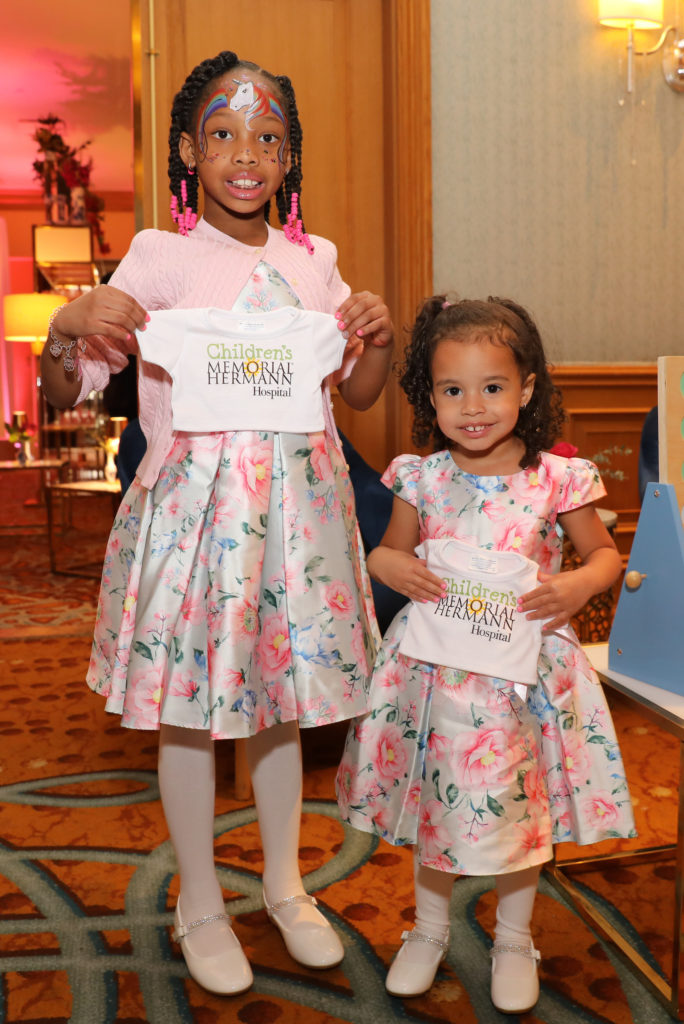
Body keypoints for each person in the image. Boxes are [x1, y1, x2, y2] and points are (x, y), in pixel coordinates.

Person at [40, 50, 393, 996]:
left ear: (290, 159)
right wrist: (72, 323)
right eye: (225, 134)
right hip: (194, 522)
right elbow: (70, 387)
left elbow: (351, 395)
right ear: (190, 149)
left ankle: (284, 885)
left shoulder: (315, 262)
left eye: (268, 137)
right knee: (192, 719)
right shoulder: (158, 254)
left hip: (300, 523)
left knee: (279, 711)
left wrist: (375, 340)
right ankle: (199, 898)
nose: (247, 153)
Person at [336, 295, 636, 1014]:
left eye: (492, 387)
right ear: (429, 396)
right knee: (438, 801)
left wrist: (578, 584)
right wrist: (389, 566)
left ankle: (512, 936)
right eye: (452, 389)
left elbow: (603, 555)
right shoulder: (422, 476)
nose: (473, 406)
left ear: (526, 388)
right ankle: (429, 928)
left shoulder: (558, 479)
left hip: (524, 681)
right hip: (436, 677)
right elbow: (384, 553)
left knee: (519, 807)